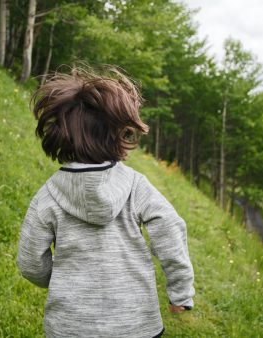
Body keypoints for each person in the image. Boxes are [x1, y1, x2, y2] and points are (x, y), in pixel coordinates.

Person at [16, 67, 195, 338]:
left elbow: (30, 262)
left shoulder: (48, 195)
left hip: (70, 328)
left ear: (61, 133)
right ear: (119, 134)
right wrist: (180, 291)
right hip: (136, 325)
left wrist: (61, 280)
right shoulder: (136, 185)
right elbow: (169, 227)